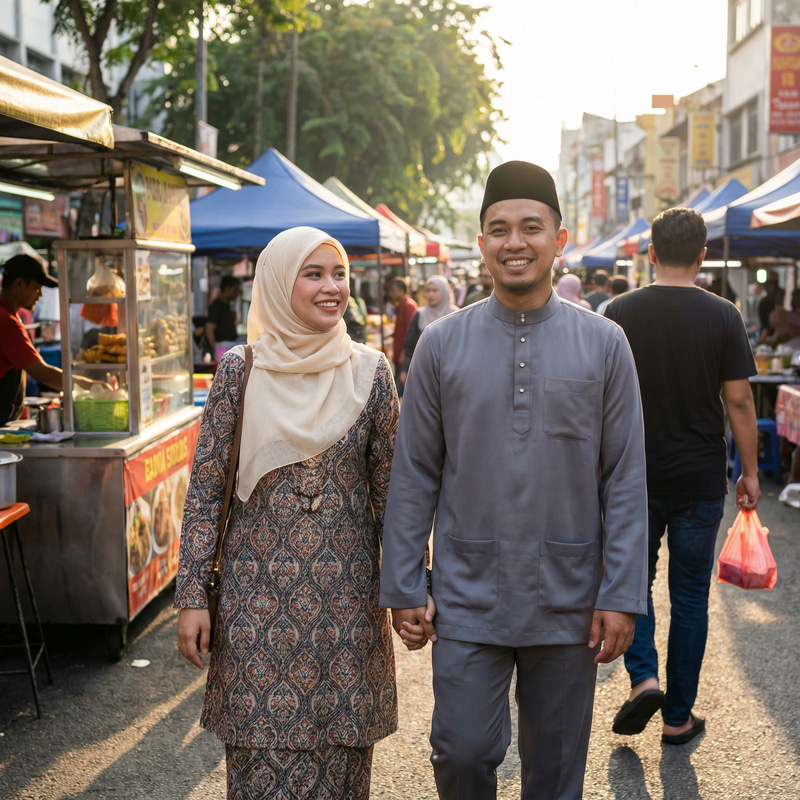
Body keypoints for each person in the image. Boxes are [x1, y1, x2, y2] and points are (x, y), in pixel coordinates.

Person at [380, 161, 649, 800]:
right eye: (499, 229)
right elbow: (415, 469)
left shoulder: (606, 344)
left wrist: (621, 593)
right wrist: (404, 583)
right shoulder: (440, 345)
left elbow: (626, 478)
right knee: (462, 751)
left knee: (556, 776)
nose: (515, 242)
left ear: (559, 239)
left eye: (532, 227)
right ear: (482, 245)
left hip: (570, 596)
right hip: (469, 593)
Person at [175, 227, 399, 800]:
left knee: (341, 776)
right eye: (313, 273)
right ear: (277, 283)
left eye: (338, 274)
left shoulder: (371, 372)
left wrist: (412, 590)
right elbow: (204, 492)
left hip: (347, 616)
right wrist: (193, 597)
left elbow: (394, 498)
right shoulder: (240, 370)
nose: (332, 288)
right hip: (256, 615)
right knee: (258, 772)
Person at [604, 207, 761, 745]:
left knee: (634, 583)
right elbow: (739, 401)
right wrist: (751, 473)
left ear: (649, 253)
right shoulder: (724, 315)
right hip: (699, 477)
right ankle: (678, 718)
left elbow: (599, 401)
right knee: (691, 594)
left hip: (632, 477)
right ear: (703, 256)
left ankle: (643, 677)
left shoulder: (617, 311)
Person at [0, 254, 102, 425]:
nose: (40, 295)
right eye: (36, 287)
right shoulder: (5, 321)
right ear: (19, 283)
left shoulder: (10, 316)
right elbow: (41, 372)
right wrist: (90, 386)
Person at [397, 274, 458, 387]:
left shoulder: (455, 314)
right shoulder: (420, 314)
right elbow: (410, 345)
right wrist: (406, 370)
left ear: (444, 291)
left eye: (435, 290)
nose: (430, 294)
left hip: (451, 372)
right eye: (428, 290)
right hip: (424, 372)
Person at [387, 277, 418, 395]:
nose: (391, 294)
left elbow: (410, 333)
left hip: (403, 354)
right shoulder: (400, 306)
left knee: (401, 388)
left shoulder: (409, 306)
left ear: (401, 290)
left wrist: (403, 353)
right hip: (399, 351)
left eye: (393, 291)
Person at [205, 276, 242, 351]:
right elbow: (209, 329)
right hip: (222, 350)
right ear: (227, 289)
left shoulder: (227, 306)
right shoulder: (216, 307)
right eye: (235, 290)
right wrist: (216, 350)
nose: (237, 293)